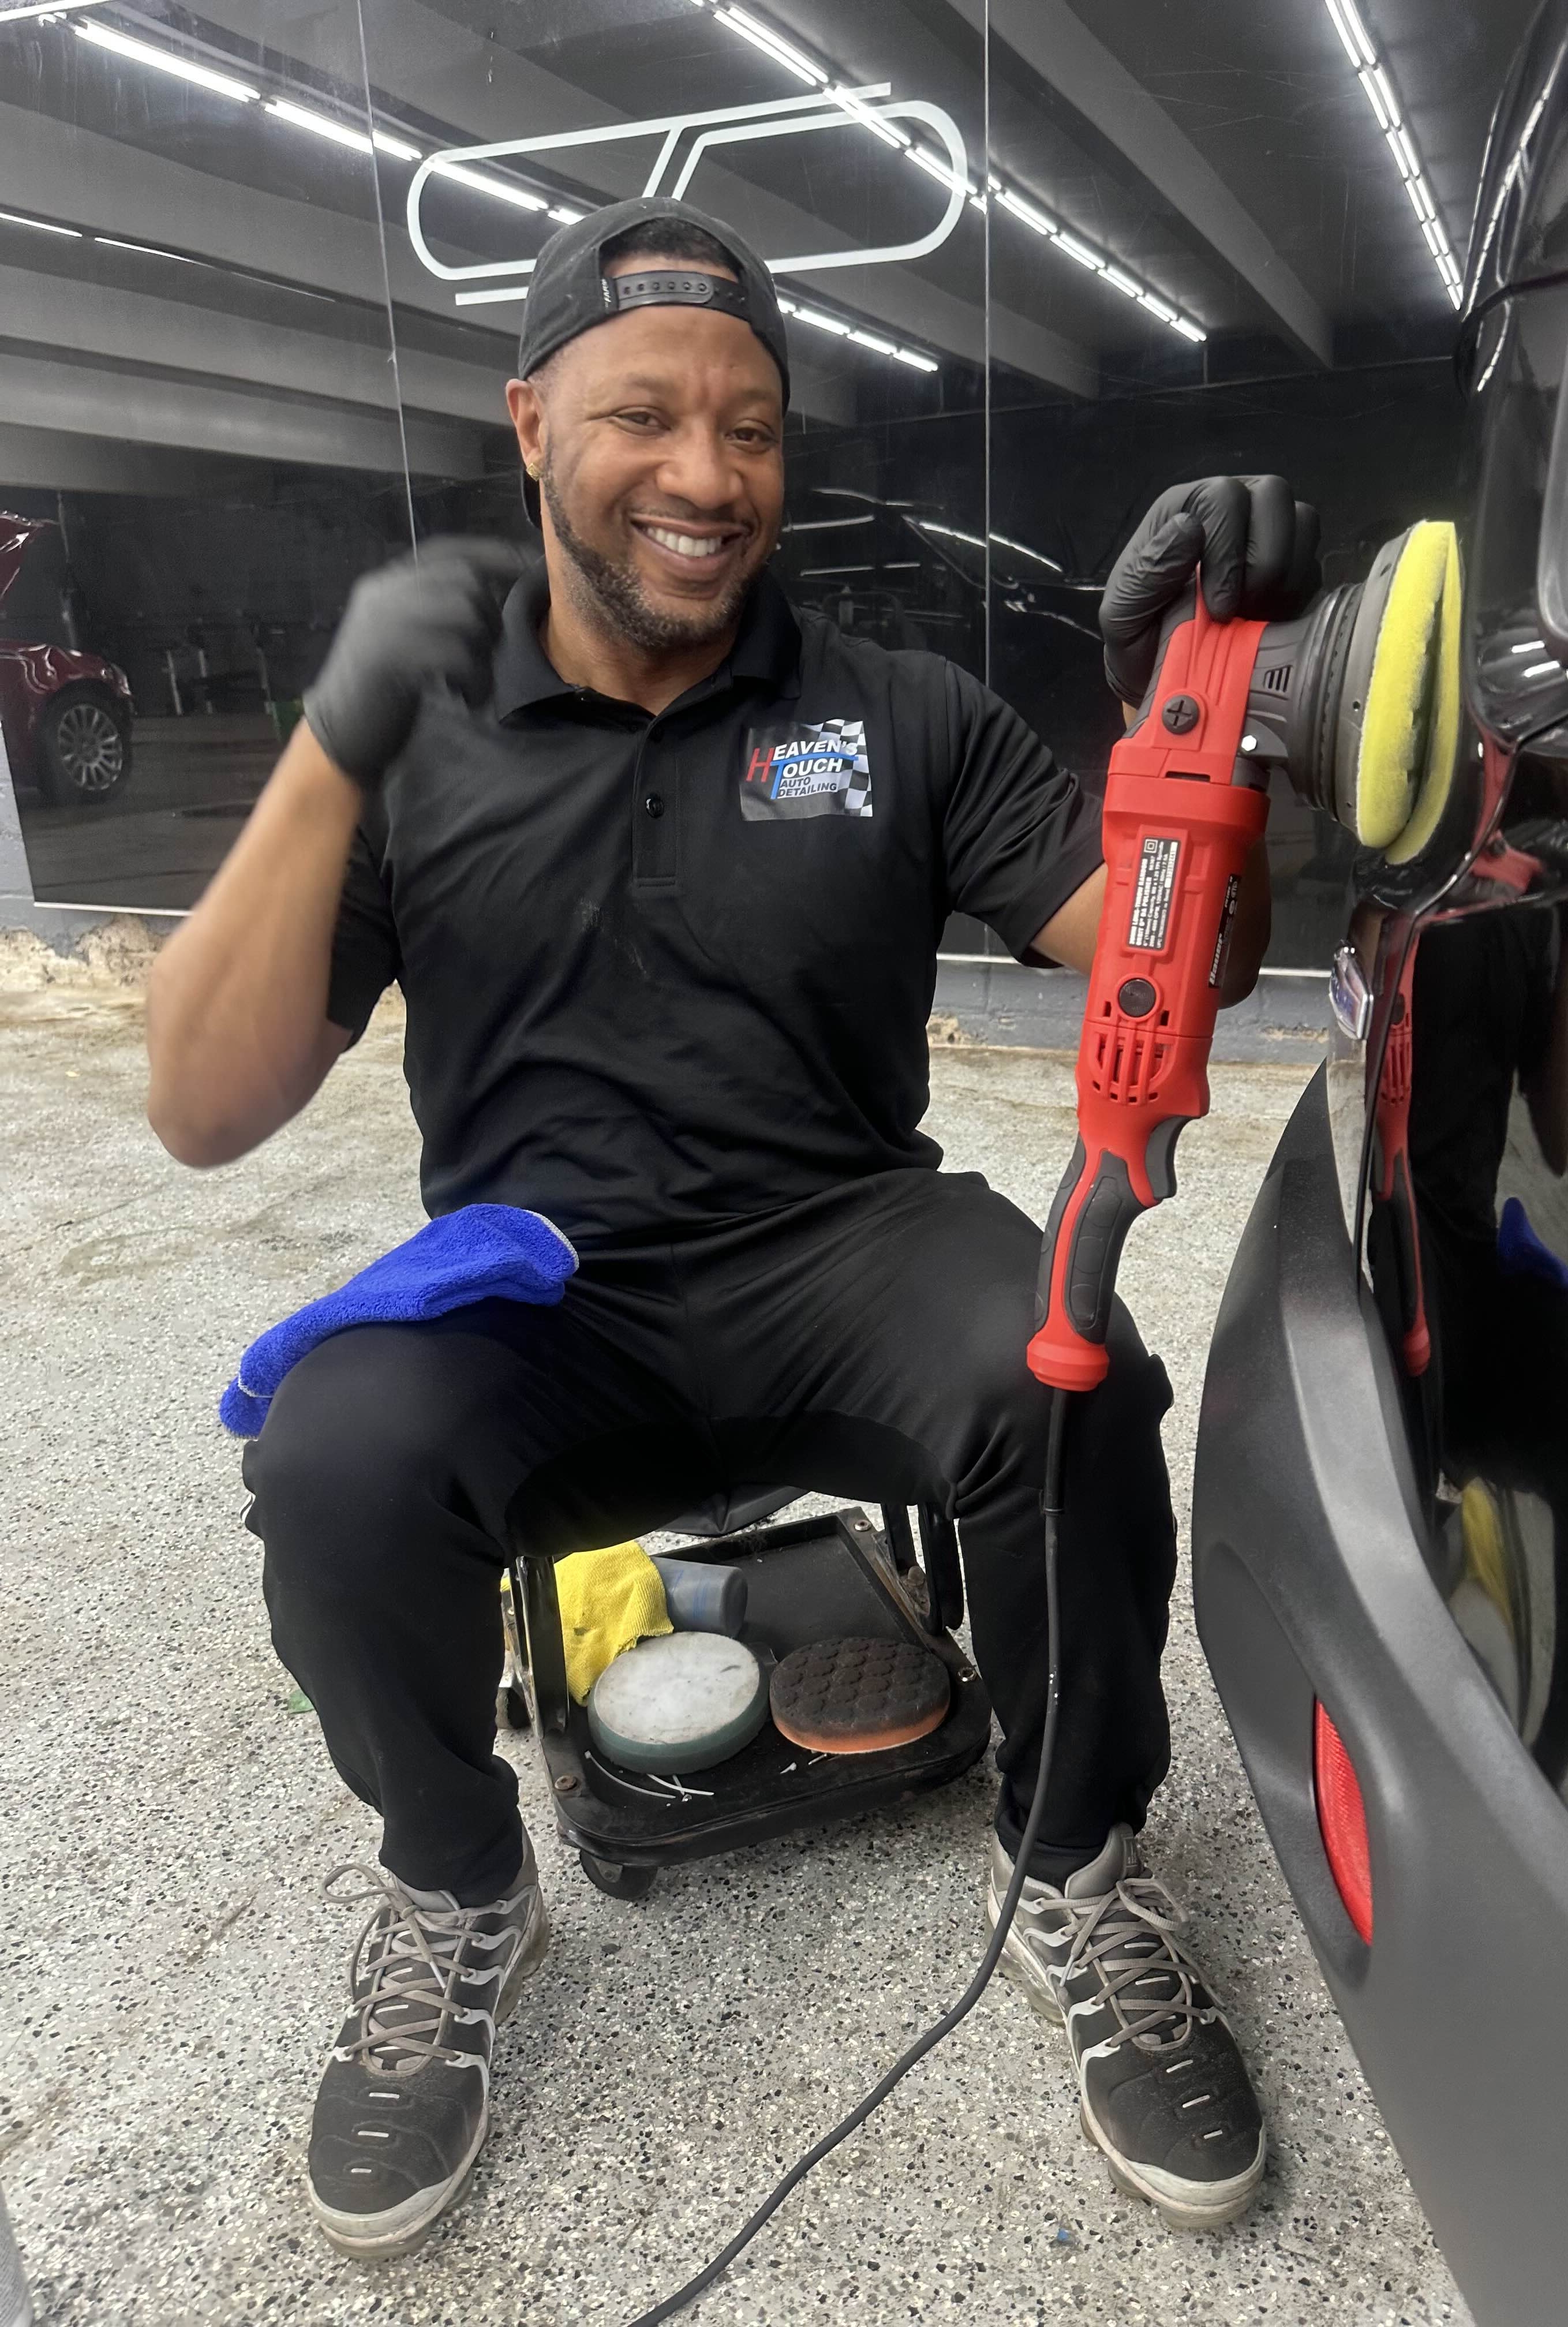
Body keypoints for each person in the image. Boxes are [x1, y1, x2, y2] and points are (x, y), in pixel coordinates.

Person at [144, 194, 1319, 2261]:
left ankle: (1073, 1867)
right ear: (528, 425)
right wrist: (335, 742)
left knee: (1071, 1371)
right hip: (536, 1293)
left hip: (837, 1243)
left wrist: (1197, 726)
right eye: (643, 418)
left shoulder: (899, 711)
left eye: (753, 427)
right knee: (328, 1455)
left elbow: (1182, 970)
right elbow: (199, 1107)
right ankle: (455, 1890)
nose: (706, 475)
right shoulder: (424, 738)